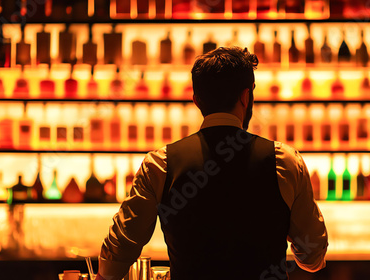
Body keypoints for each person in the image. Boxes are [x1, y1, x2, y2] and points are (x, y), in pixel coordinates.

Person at [96, 47, 328, 280]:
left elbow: (117, 256)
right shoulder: (285, 161)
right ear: (245, 97)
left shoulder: (160, 164)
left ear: (196, 100)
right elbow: (312, 258)